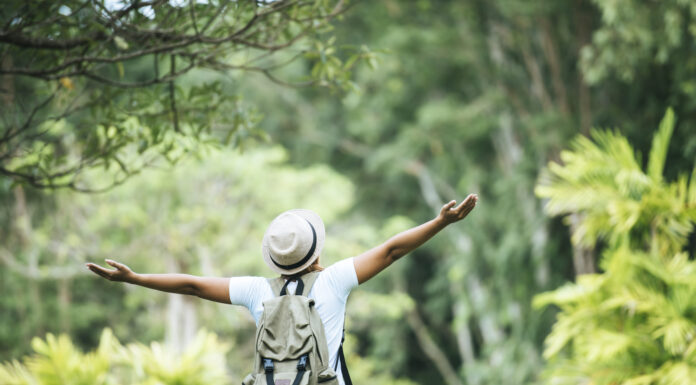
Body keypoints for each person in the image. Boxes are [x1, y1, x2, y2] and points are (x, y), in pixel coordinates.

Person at [86, 193, 478, 384]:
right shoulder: (335, 280)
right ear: (316, 248)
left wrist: (135, 277)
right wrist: (441, 222)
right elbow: (391, 250)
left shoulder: (257, 291)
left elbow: (192, 285)